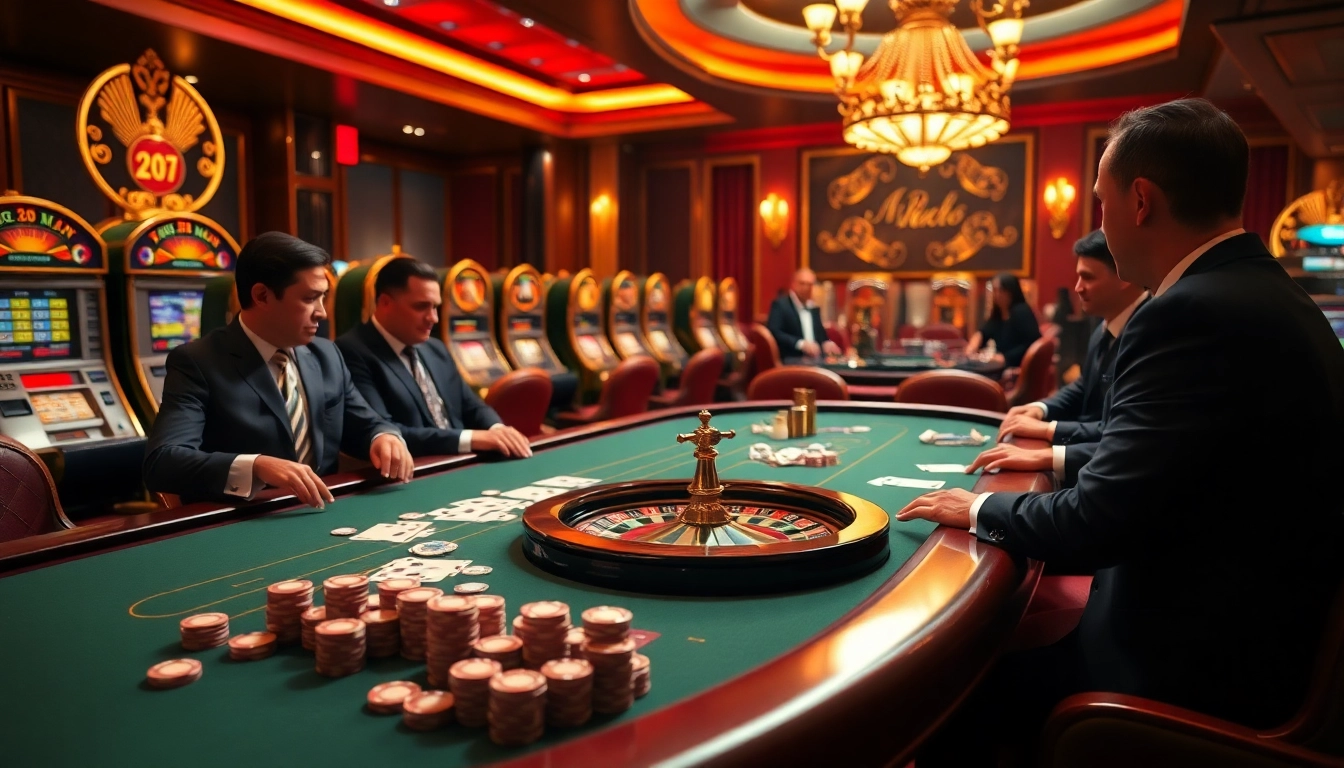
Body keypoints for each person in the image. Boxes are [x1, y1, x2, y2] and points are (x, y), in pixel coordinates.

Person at [899, 98, 1344, 765]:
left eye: (1102, 202)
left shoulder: (1189, 314)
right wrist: (1047, 465)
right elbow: (1170, 464)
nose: (1100, 223)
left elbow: (1101, 521)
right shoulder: (1265, 292)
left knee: (935, 693)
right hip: (1250, 632)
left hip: (1187, 676)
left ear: (1140, 201)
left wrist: (982, 507)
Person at [144, 232, 414, 509]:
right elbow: (163, 462)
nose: (322, 312)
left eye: (323, 298)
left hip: (325, 512)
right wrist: (255, 465)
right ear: (261, 295)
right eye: (310, 298)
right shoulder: (198, 361)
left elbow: (366, 423)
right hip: (246, 522)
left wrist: (384, 436)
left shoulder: (327, 354)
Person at [973, 230, 1148, 479]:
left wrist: (1048, 432)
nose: (1077, 288)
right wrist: (1040, 408)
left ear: (1123, 276)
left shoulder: (1149, 331)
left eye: (1087, 277)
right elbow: (1083, 387)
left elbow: (1119, 434)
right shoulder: (1103, 327)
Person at [336, 257, 532, 459]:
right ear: (385, 303)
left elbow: (471, 405)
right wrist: (471, 438)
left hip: (463, 462)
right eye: (421, 307)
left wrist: (496, 428)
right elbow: (385, 433)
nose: (433, 318)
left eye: (435, 307)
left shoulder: (436, 348)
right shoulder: (351, 351)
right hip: (415, 472)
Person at [964, 272, 1041, 367]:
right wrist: (972, 346)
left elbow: (1032, 342)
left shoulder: (1021, 311)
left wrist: (1005, 358)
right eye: (995, 290)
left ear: (1011, 292)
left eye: (1001, 290)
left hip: (1017, 366)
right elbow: (984, 332)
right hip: (1000, 364)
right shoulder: (998, 314)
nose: (997, 295)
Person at [766, 269, 841, 362]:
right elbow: (774, 332)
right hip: (790, 360)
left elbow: (821, 336)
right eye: (802, 283)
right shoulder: (780, 305)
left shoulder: (813, 308)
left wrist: (826, 343)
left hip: (816, 361)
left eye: (810, 284)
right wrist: (800, 344)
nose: (806, 287)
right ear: (793, 284)